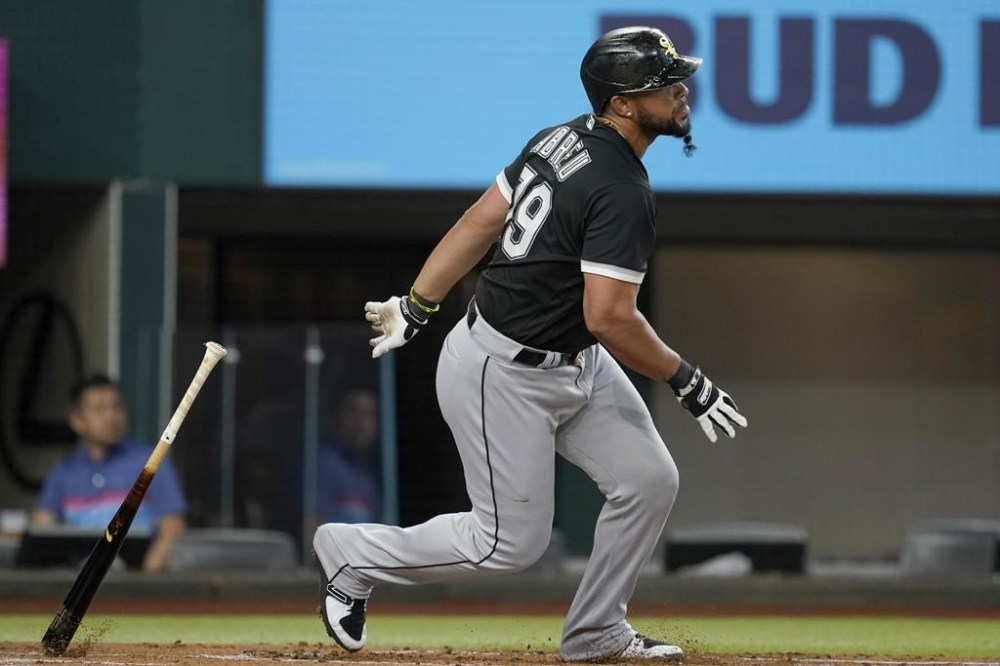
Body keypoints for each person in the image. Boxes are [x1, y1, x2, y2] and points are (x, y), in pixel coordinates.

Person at [313, 26, 747, 662]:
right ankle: (353, 553)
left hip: (575, 363)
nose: (682, 90)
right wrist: (687, 380)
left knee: (648, 481)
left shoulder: (563, 135)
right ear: (623, 104)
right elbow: (609, 317)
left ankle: (596, 632)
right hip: (503, 371)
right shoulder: (621, 189)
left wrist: (418, 301)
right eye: (663, 83)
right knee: (508, 546)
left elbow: (481, 221)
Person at [31, 373, 186, 572]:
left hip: (136, 586)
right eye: (99, 409)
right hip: (79, 585)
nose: (111, 416)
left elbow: (172, 530)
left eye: (116, 407)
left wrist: (143, 582)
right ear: (77, 420)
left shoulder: (151, 462)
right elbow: (41, 530)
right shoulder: (63, 472)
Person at [315, 388, 382, 524]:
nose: (363, 422)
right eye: (354, 412)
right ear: (336, 417)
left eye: (370, 415)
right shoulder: (320, 464)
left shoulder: (367, 473)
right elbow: (313, 526)